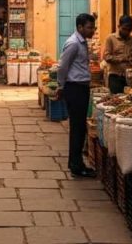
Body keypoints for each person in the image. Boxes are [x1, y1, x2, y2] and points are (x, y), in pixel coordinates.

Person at [56, 13, 97, 177]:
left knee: (79, 127)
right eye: (89, 27)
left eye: (93, 27)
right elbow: (62, 67)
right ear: (80, 27)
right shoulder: (73, 44)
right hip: (75, 88)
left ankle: (76, 163)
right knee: (77, 128)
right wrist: (61, 86)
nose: (92, 30)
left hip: (81, 87)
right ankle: (76, 165)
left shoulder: (82, 42)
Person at [103, 16, 132, 94]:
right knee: (116, 99)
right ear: (119, 26)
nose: (126, 32)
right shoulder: (110, 39)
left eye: (129, 30)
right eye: (124, 29)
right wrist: (121, 58)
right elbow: (106, 57)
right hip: (115, 76)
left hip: (130, 78)